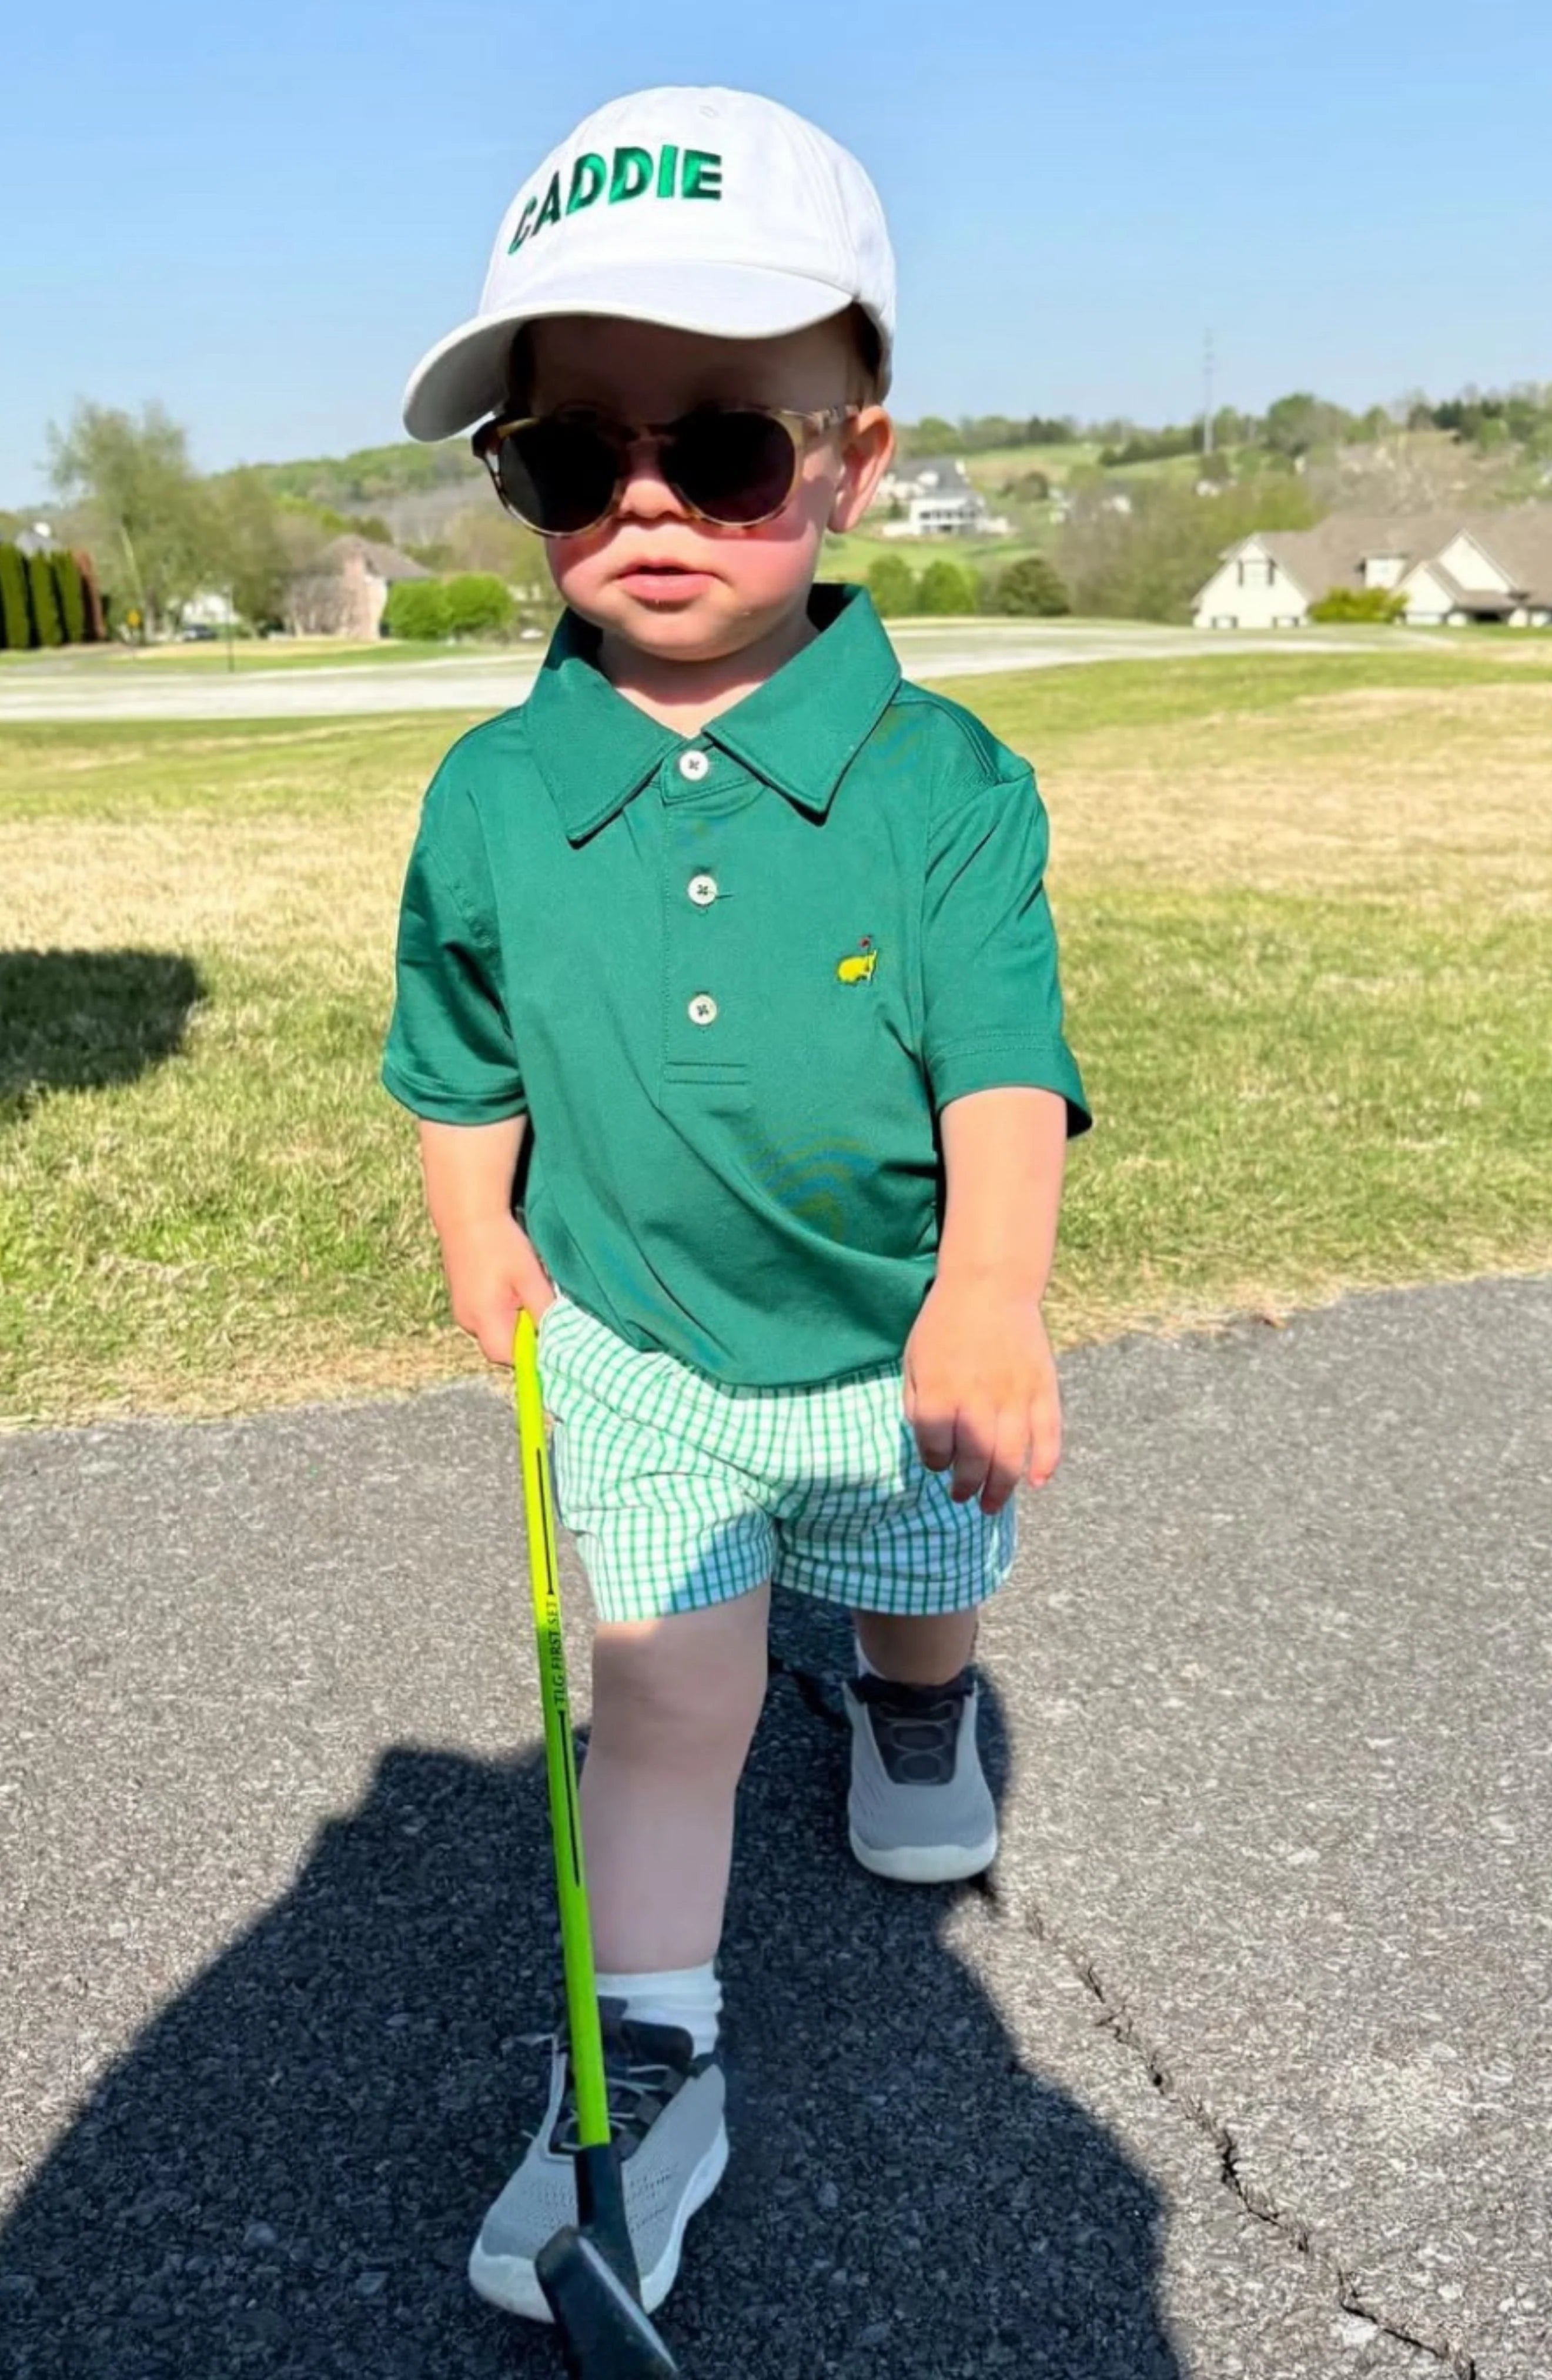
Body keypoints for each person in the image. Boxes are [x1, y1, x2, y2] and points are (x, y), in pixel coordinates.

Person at [383, 85, 1090, 2326]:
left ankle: (910, 1705)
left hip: (898, 1345)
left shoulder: (945, 779)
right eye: (578, 457)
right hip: (645, 1360)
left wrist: (988, 1296)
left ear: (857, 458)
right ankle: (646, 2058)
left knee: (918, 1584)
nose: (652, 503)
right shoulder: (495, 789)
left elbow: (1003, 1063)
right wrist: (473, 1229)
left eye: (730, 446)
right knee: (664, 1705)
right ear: (520, 481)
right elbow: (458, 1047)